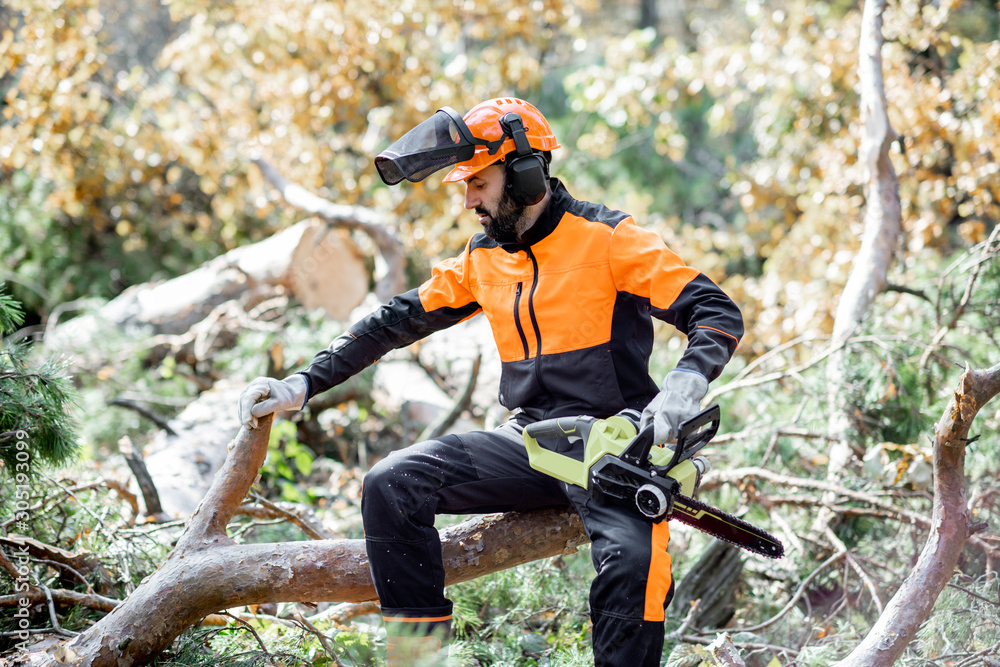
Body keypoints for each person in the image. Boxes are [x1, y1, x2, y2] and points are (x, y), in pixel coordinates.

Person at [238, 97, 744, 666]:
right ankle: (419, 661)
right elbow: (395, 320)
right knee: (391, 483)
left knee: (634, 568)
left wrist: (683, 385)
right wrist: (303, 383)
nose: (469, 200)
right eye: (464, 185)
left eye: (478, 182)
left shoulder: (608, 238)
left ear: (526, 172)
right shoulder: (484, 256)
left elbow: (715, 311)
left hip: (616, 448)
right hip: (530, 443)